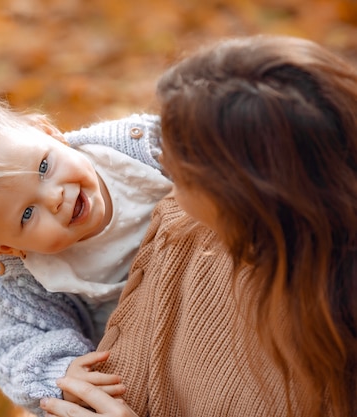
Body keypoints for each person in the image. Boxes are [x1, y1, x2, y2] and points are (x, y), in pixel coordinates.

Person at [39, 34, 357, 417]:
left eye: (181, 169)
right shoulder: (184, 233)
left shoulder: (325, 345)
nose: (161, 167)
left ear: (243, 200)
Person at [0, 98, 172, 415]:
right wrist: (61, 373)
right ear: (5, 247)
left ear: (49, 132)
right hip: (143, 350)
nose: (55, 197)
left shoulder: (138, 150)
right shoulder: (24, 274)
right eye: (27, 214)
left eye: (43, 167)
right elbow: (12, 347)